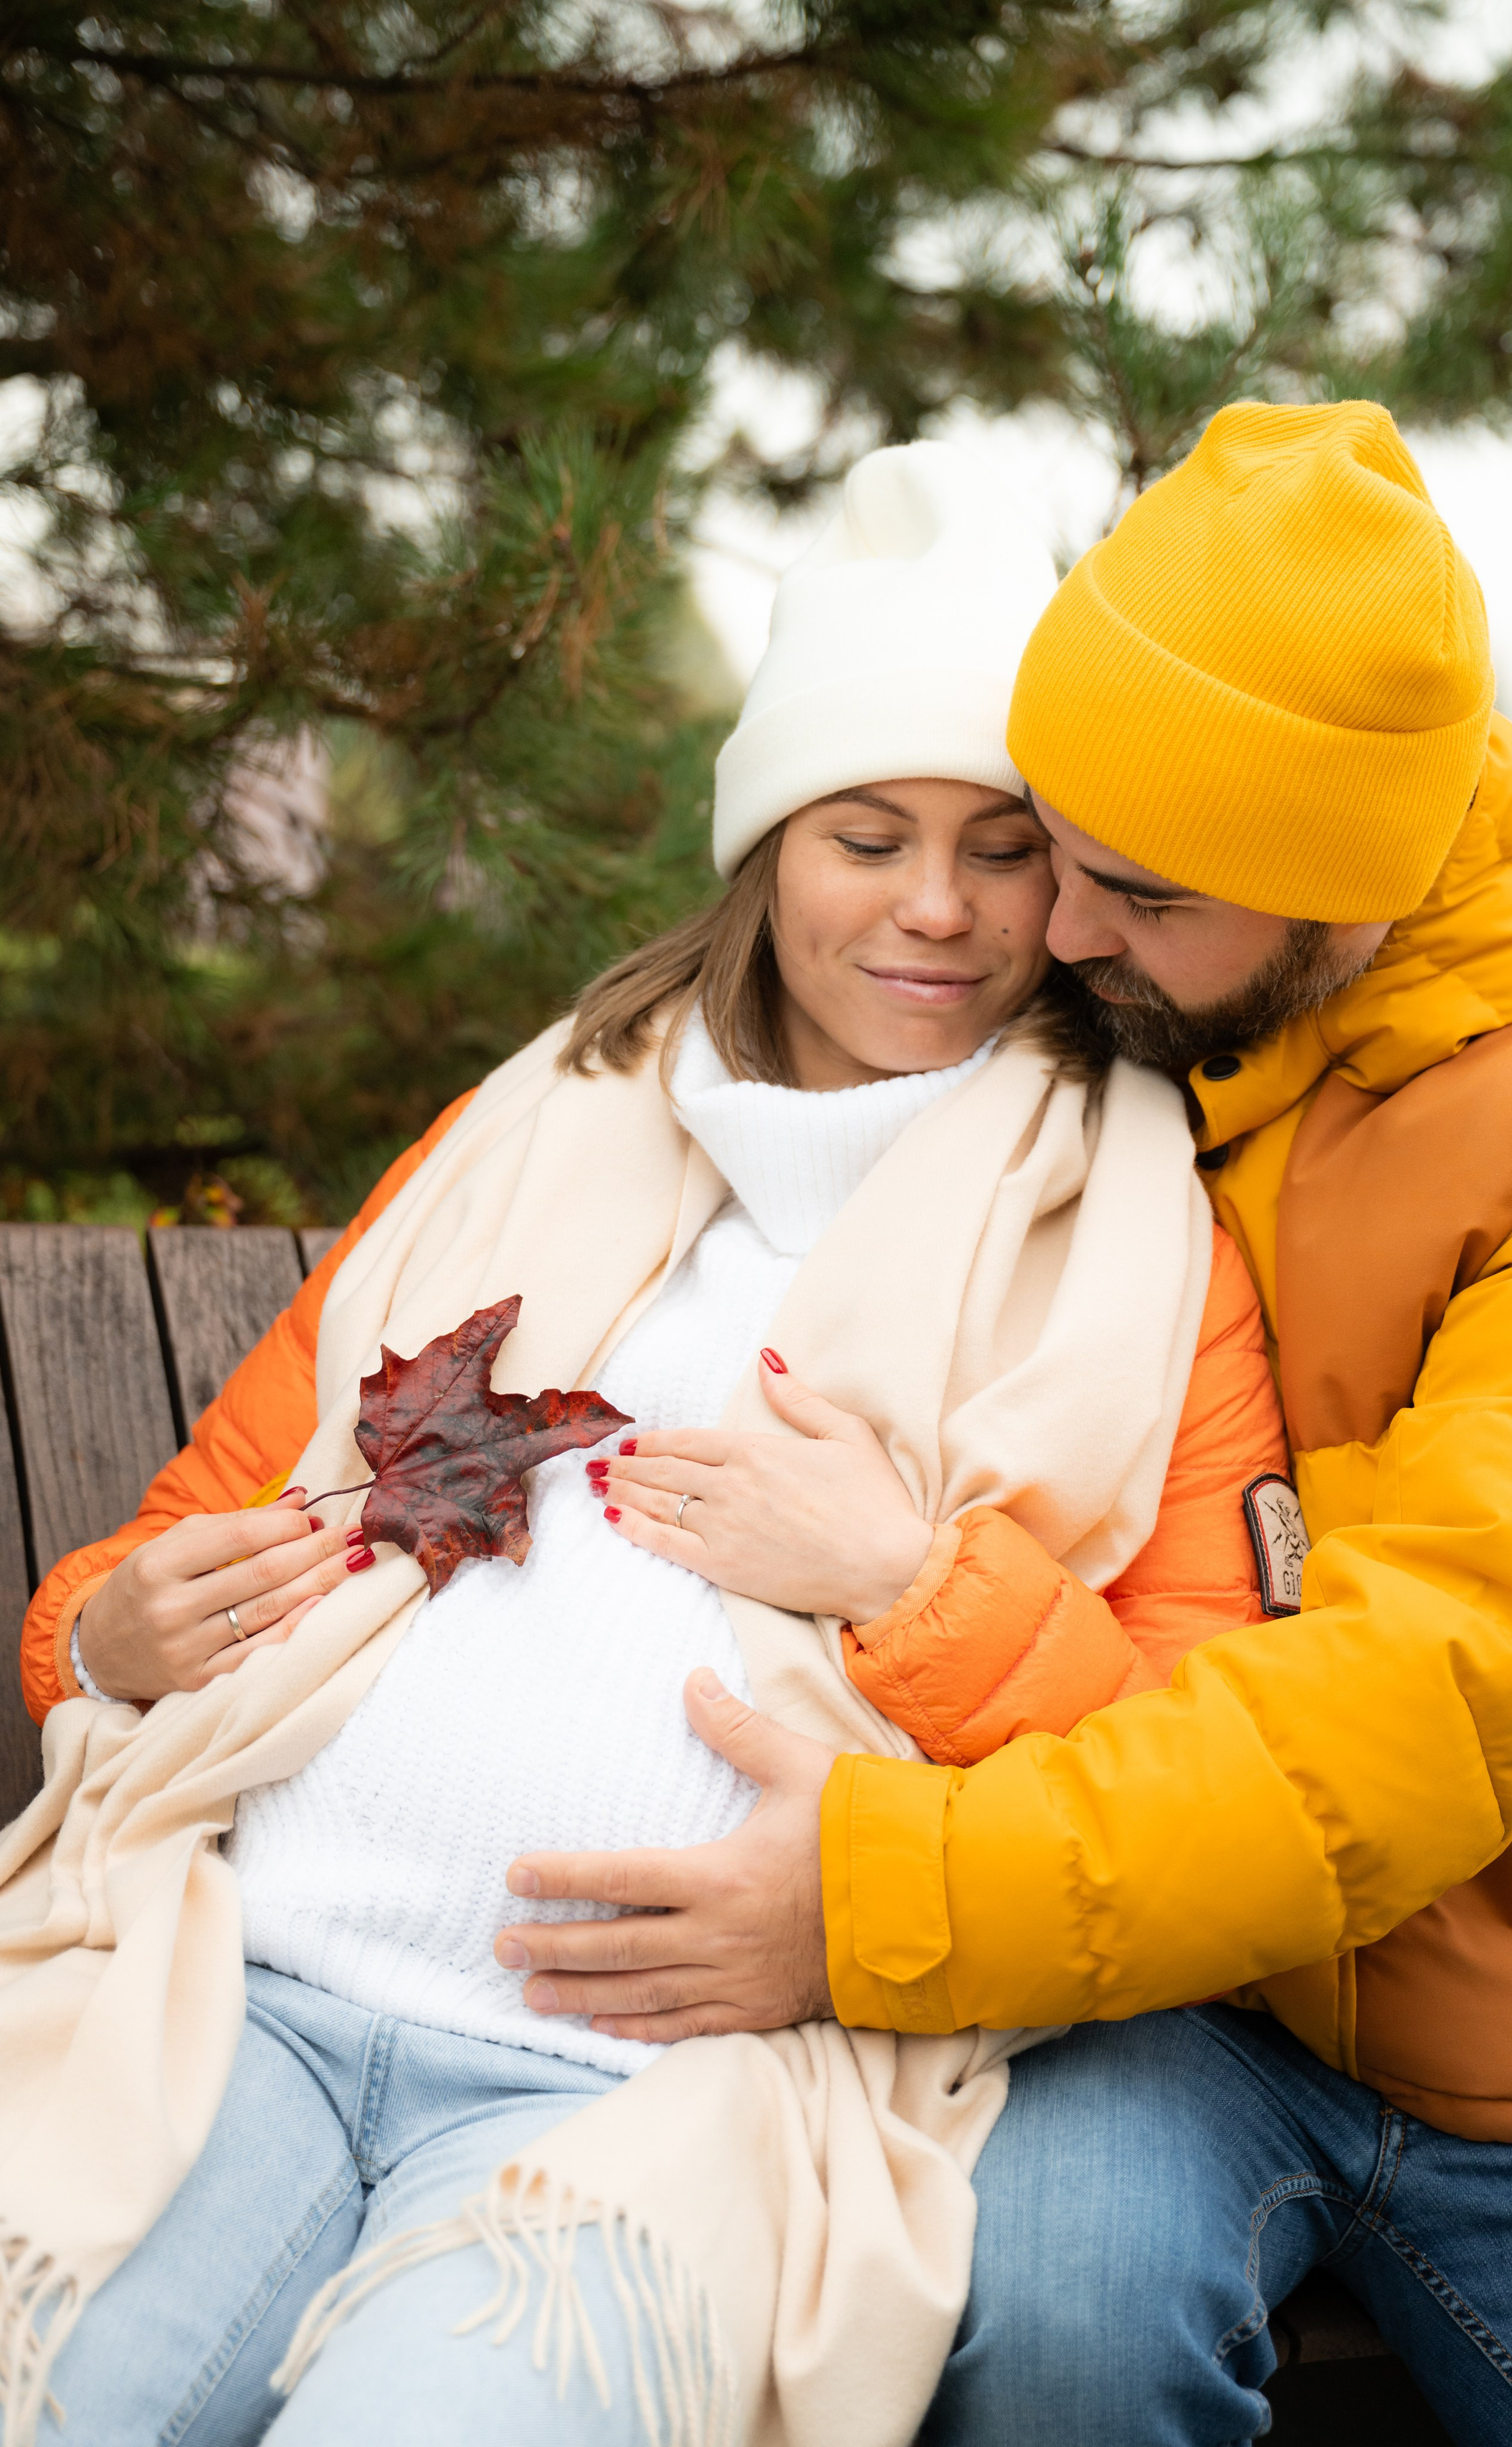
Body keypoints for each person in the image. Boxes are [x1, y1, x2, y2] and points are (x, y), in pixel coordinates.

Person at [498, 404, 1512, 2447]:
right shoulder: (1087, 1045)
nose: (1067, 934)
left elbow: (1436, 1698)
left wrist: (876, 1904)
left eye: (1142, 892)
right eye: (1067, 857)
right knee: (1050, 2331)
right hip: (1150, 2012)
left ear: (1339, 888)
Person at [2, 442, 1293, 2447]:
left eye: (1004, 848)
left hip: (647, 2110)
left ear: (1076, 881)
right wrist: (107, 1633)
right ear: (768, 853)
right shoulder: (539, 1120)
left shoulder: (1139, 1240)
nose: (936, 909)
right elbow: (168, 1559)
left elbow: (1207, 1763)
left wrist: (912, 1587)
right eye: (866, 836)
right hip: (237, 2000)